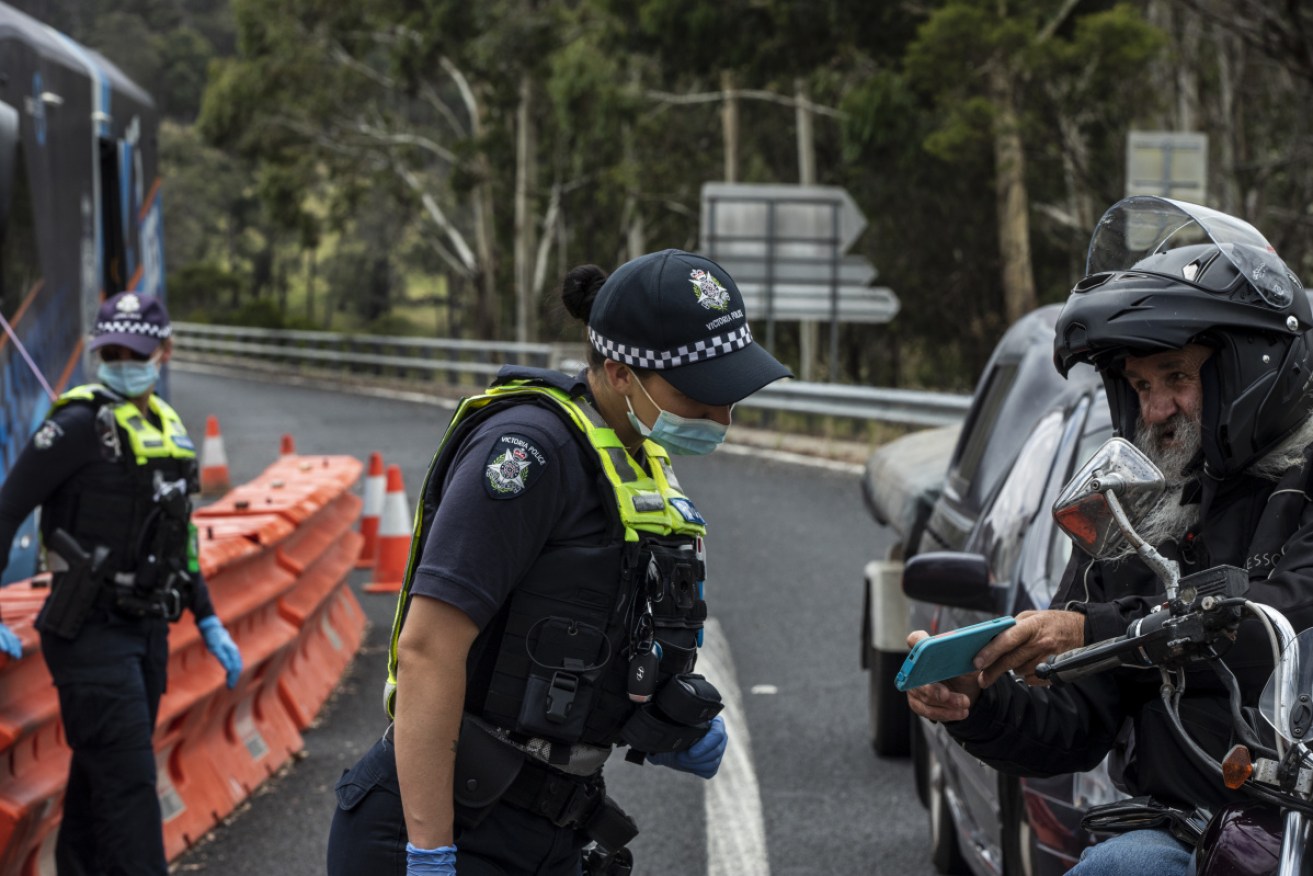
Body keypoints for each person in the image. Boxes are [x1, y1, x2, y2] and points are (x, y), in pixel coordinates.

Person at [327, 249, 793, 876]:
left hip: (552, 829)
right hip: (448, 828)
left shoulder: (632, 462)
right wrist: (430, 853)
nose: (720, 416)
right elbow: (428, 649)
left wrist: (661, 727)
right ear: (622, 373)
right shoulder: (527, 452)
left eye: (728, 394)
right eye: (696, 393)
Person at [906, 196, 1313, 875]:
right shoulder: (1132, 513)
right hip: (1191, 839)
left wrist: (1095, 632)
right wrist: (979, 704)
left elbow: (1286, 617)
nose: (1155, 409)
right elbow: (1075, 721)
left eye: (1177, 378)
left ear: (1256, 367)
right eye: (1138, 385)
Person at [0, 290, 243, 876]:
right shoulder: (79, 425)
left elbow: (180, 535)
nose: (124, 360)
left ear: (164, 350)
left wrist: (206, 616)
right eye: (112, 349)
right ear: (97, 348)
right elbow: (7, 508)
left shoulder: (168, 427)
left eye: (136, 350)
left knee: (99, 777)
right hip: (87, 632)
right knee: (130, 783)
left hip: (147, 631)